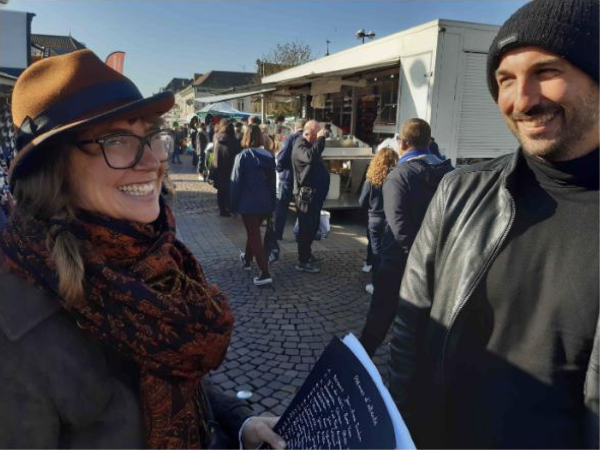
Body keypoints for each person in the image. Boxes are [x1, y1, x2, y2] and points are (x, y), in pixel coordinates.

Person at [0, 49, 284, 449]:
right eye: (118, 140)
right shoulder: (15, 327)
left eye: (152, 136)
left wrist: (239, 424)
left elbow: (172, 377)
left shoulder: (153, 256)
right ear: (54, 167)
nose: (152, 161)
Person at [388, 0, 599, 448]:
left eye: (546, 72)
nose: (522, 100)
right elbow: (410, 330)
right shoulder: (459, 192)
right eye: (506, 80)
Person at [359, 119, 452, 357]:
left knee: (379, 316)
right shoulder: (448, 173)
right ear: (429, 142)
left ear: (402, 143)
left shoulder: (399, 176)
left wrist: (416, 256)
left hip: (399, 260)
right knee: (423, 319)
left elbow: (398, 226)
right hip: (436, 259)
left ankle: (361, 361)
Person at [230, 124, 276, 286]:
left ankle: (264, 272)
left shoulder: (242, 157)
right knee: (253, 233)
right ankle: (248, 261)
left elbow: (235, 183)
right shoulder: (269, 157)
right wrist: (272, 205)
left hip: (248, 204)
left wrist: (232, 207)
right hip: (265, 203)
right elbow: (272, 183)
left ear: (246, 137)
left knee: (255, 236)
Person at [358, 147, 398, 294]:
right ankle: (387, 282)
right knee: (387, 251)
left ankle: (376, 284)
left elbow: (362, 201)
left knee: (376, 252)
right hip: (391, 220)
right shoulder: (395, 179)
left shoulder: (370, 180)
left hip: (374, 219)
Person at [291, 120, 330, 273]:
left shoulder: (308, 144)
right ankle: (302, 261)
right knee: (306, 228)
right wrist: (321, 140)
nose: (318, 138)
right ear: (307, 133)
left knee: (312, 226)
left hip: (314, 195)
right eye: (315, 135)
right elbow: (310, 157)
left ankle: (307, 254)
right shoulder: (299, 145)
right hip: (305, 196)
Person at [274, 119, 305, 240]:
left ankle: (278, 234)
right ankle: (301, 235)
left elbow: (281, 155)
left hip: (287, 177)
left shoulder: (291, 138)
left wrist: (280, 169)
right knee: (302, 208)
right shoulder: (308, 139)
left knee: (282, 206)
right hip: (302, 178)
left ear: (296, 127)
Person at [214, 119, 242, 217]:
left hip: (221, 169)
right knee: (231, 189)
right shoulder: (235, 142)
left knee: (221, 190)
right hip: (231, 169)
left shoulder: (218, 140)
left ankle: (222, 209)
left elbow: (216, 157)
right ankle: (231, 208)